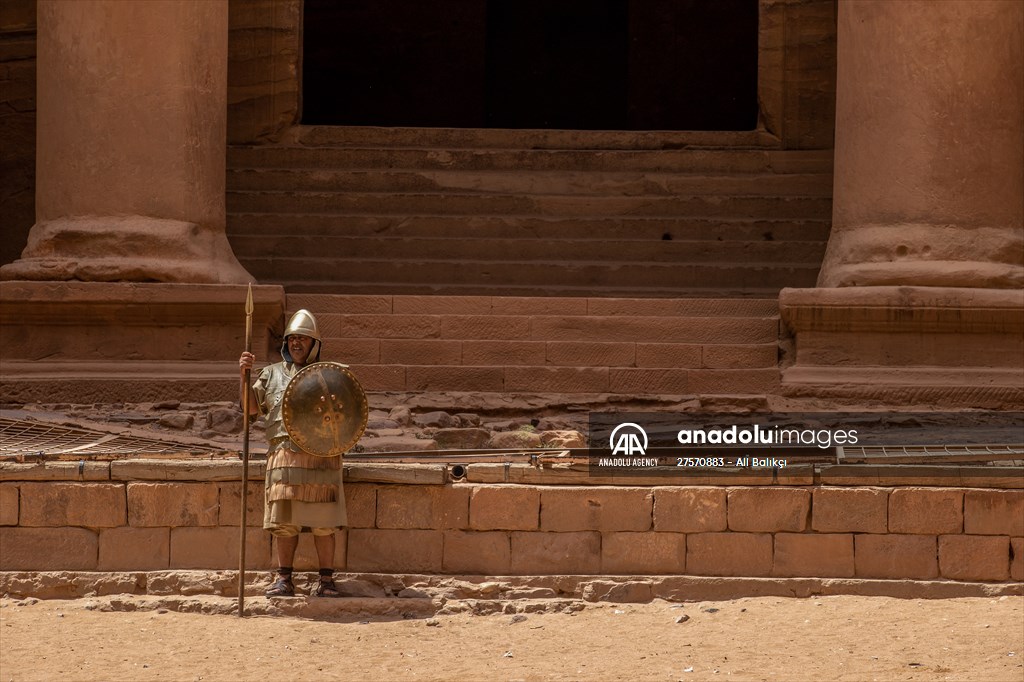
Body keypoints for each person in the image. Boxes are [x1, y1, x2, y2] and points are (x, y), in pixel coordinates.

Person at [238, 309, 345, 597]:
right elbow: (250, 409)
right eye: (292, 338)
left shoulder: (331, 375)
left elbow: (345, 418)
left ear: (315, 344)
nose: (297, 343)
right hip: (283, 457)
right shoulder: (271, 374)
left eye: (303, 338)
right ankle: (284, 580)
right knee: (284, 522)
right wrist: (244, 375)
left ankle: (326, 582)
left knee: (324, 523)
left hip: (321, 456)